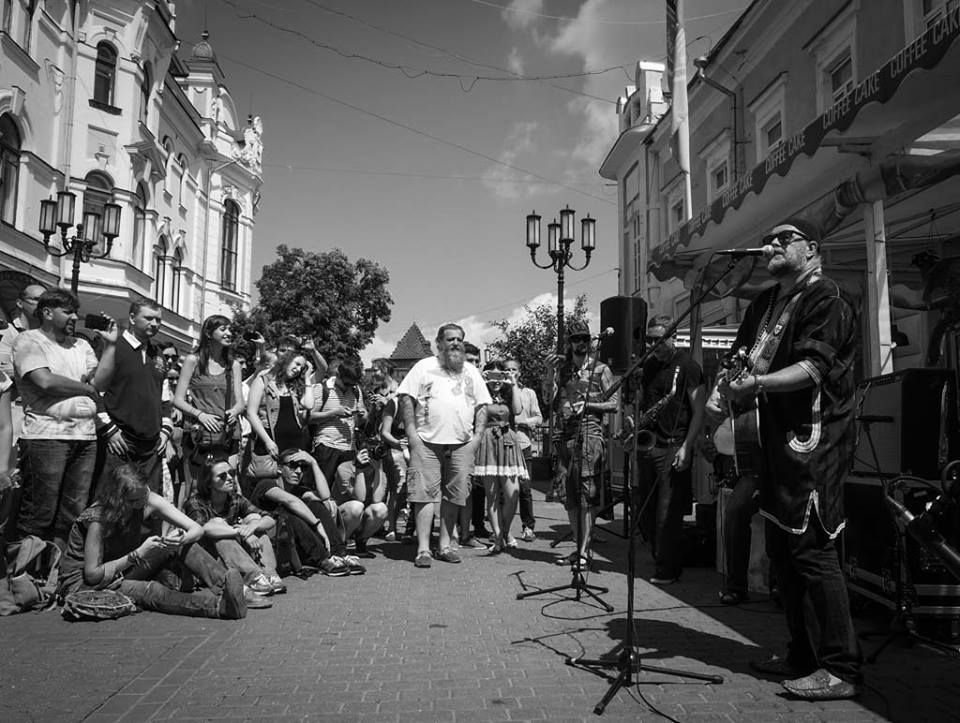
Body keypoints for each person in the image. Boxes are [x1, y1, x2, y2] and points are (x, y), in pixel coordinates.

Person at [706, 218, 862, 700]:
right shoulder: (763, 303)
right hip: (769, 445)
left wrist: (757, 385)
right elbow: (739, 359)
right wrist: (719, 391)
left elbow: (813, 367)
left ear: (812, 249)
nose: (771, 244)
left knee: (813, 553)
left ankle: (840, 667)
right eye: (769, 238)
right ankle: (801, 653)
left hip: (812, 443)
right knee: (782, 554)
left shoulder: (827, 297)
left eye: (784, 238)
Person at [57, 464, 252, 619]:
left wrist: (177, 540)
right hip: (87, 585)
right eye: (135, 501)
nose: (143, 503)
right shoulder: (97, 519)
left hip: (122, 571)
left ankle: (230, 589)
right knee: (151, 591)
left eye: (144, 496)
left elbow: (195, 529)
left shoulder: (146, 498)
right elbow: (92, 575)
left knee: (183, 545)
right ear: (119, 499)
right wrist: (140, 553)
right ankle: (220, 607)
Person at [12, 290, 106, 549]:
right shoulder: (28, 341)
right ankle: (23, 578)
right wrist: (85, 388)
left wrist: (109, 346)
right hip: (46, 436)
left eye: (75, 311)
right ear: (47, 312)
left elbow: (100, 382)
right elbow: (45, 381)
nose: (74, 317)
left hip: (85, 437)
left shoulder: (82, 345)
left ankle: (57, 577)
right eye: (67, 311)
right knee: (39, 513)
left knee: (72, 514)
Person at [397, 324, 491, 568]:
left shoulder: (471, 371)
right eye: (450, 339)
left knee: (455, 495)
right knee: (423, 495)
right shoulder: (423, 367)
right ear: (439, 343)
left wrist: (477, 438)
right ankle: (424, 549)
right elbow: (405, 397)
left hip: (462, 444)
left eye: (459, 339)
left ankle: (445, 546)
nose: (456, 343)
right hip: (426, 442)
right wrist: (411, 434)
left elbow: (482, 404)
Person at [636, 315, 705, 585]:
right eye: (650, 340)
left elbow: (698, 410)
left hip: (674, 445)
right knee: (646, 510)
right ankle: (660, 557)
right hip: (649, 444)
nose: (654, 344)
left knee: (668, 513)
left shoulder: (688, 366)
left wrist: (687, 447)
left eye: (659, 339)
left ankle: (668, 569)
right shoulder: (649, 366)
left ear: (674, 337)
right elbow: (645, 404)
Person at [544, 321, 618, 569]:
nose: (581, 343)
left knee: (587, 496)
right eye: (576, 339)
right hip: (565, 436)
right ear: (570, 342)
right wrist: (548, 373)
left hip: (589, 435)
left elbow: (614, 404)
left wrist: (589, 406)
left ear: (589, 341)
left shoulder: (601, 369)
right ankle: (578, 548)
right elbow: (548, 400)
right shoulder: (562, 370)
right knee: (569, 496)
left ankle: (586, 552)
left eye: (584, 338)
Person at [94, 301, 172, 498]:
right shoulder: (112, 348)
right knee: (110, 502)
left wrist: (165, 430)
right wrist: (108, 430)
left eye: (158, 320)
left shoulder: (159, 355)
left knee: (147, 506)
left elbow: (164, 398)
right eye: (148, 318)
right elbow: (95, 391)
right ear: (131, 318)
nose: (154, 324)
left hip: (151, 444)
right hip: (119, 441)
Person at [249, 447, 360, 576]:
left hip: (293, 544)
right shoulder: (266, 484)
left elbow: (324, 496)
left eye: (303, 467)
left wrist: (313, 462)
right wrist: (317, 524)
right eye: (292, 466)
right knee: (289, 515)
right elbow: (290, 501)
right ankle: (323, 559)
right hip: (269, 544)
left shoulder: (298, 490)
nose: (298, 471)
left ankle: (339, 553)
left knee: (317, 505)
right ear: (279, 468)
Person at [186, 457, 284, 596]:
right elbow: (204, 529)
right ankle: (253, 577)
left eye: (231, 473)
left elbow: (270, 518)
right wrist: (240, 532)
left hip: (234, 556)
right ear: (208, 483)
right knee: (218, 523)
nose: (230, 478)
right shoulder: (196, 502)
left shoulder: (235, 499)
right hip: (209, 561)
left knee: (254, 519)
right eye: (222, 476)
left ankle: (269, 574)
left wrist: (252, 527)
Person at [173, 315, 245, 503]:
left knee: (229, 484)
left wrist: (234, 412)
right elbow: (178, 399)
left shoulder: (233, 365)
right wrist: (201, 415)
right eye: (223, 329)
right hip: (200, 435)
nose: (229, 333)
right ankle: (194, 526)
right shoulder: (193, 361)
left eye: (230, 329)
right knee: (197, 487)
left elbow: (240, 402)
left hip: (227, 435)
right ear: (208, 333)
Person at [472, 361, 526, 554]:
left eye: (499, 376)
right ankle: (498, 536)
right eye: (491, 376)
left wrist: (512, 383)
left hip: (507, 441)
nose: (496, 381)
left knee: (513, 493)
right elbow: (473, 413)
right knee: (492, 495)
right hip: (488, 441)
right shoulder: (480, 392)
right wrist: (479, 381)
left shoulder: (509, 391)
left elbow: (518, 410)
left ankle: (504, 531)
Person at [245, 349, 313, 470]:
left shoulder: (294, 386)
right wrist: (268, 441)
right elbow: (251, 413)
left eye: (301, 368)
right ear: (286, 360)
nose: (297, 369)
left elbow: (308, 405)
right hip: (271, 443)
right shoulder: (262, 381)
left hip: (294, 445)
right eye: (296, 364)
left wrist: (307, 378)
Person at [504, 357, 542, 542]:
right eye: (507, 370)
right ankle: (504, 529)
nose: (510, 373)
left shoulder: (529, 393)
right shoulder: (501, 393)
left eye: (513, 369)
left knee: (525, 489)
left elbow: (538, 417)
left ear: (519, 373)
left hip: (524, 444)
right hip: (505, 445)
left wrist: (524, 422)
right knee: (507, 490)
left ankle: (528, 526)